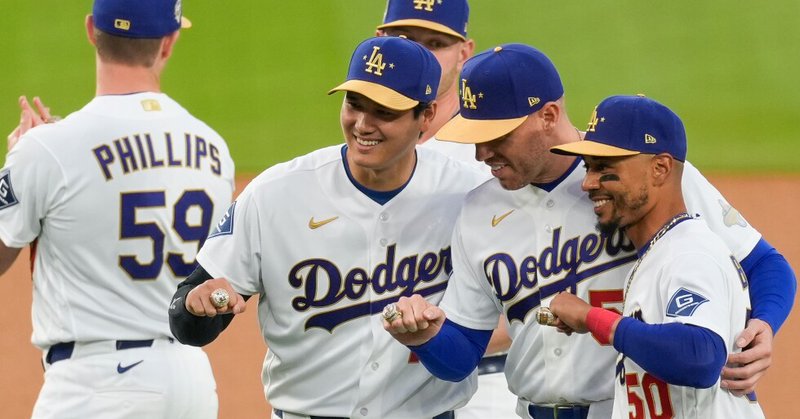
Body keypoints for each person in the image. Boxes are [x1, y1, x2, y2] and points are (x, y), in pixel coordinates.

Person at [382, 43, 795, 419]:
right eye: (475, 136)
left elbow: (765, 264)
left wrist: (763, 323)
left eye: (496, 136)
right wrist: (425, 336)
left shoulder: (643, 176)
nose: (481, 153)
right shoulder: (478, 210)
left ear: (547, 116)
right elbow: (460, 360)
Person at [168, 35, 487, 419]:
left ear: (428, 114)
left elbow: (473, 348)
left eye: (385, 111)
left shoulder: (467, 194)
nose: (363, 124)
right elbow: (188, 324)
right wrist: (197, 305)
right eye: (355, 104)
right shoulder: (275, 194)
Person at [0, 0, 235, 418]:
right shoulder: (214, 149)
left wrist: (18, 167)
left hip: (98, 385)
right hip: (192, 381)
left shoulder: (47, 149)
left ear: (92, 30)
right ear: (169, 42)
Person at [547, 94, 766, 418]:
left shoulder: (689, 252)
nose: (589, 183)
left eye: (605, 168)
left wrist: (590, 318)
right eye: (588, 168)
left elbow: (699, 356)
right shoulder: (661, 253)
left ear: (660, 168)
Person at [376, 1, 517, 417]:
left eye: (435, 42)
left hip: (487, 385)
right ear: (378, 41)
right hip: (378, 388)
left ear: (465, 51)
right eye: (405, 40)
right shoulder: (361, 154)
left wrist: (435, 341)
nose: (418, 54)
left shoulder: (499, 155)